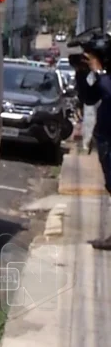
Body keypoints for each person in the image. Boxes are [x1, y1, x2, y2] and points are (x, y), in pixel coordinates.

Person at [74, 51, 111, 249]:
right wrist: (81, 74)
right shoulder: (106, 78)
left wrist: (98, 71)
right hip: (106, 139)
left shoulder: (105, 78)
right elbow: (89, 98)